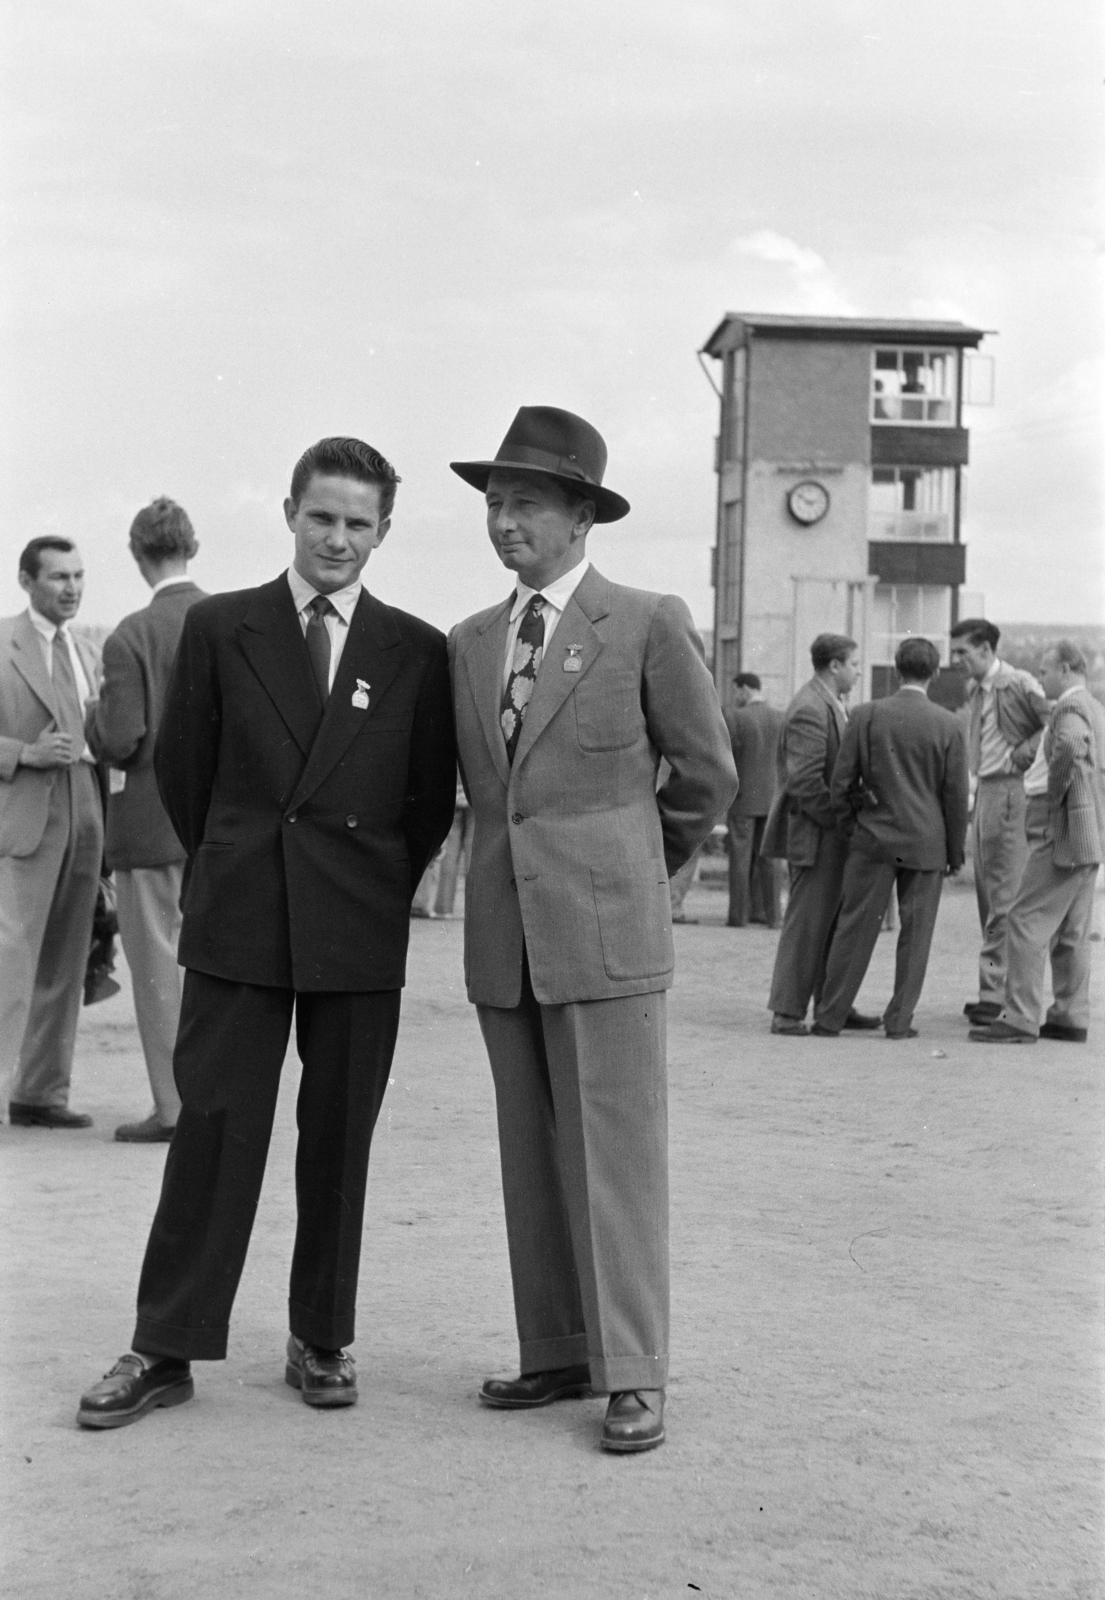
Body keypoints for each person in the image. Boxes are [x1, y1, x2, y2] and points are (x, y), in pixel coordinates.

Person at [77, 437, 456, 1429]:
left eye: (357, 523)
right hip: (242, 917)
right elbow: (186, 775)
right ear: (290, 511)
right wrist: (240, 866)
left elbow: (425, 808)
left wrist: (366, 886)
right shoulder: (219, 626)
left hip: (356, 929)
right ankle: (165, 1345)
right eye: (321, 516)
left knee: (338, 1138)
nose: (337, 539)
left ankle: (321, 1335)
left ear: (384, 530)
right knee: (211, 1130)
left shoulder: (415, 649)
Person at [447, 405, 736, 1454]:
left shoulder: (648, 621)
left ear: (580, 516)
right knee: (531, 1151)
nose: (503, 520)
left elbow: (707, 775)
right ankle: (559, 1346)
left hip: (607, 935)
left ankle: (634, 1371)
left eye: (524, 502)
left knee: (615, 1154)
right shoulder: (469, 643)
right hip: (504, 939)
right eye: (493, 502)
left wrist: (628, 868)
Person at [85, 498, 205, 1142]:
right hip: (213, 828)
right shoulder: (226, 618)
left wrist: (89, 720)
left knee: (158, 973)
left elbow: (123, 736)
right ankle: (209, 1102)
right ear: (192, 545)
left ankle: (174, 1107)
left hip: (149, 827)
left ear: (138, 554)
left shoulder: (130, 634)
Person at [810, 638, 969, 1038]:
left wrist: (854, 828)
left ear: (896, 670)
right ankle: (899, 1021)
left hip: (874, 840)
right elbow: (955, 797)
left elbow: (840, 784)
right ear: (934, 673)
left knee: (854, 929)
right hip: (927, 844)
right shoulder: (950, 725)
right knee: (916, 937)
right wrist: (954, 852)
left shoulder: (865, 715)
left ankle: (830, 1016)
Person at [0, 538, 101, 1128]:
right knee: (10, 965)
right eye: (59, 576)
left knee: (66, 962)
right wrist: (25, 754)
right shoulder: (3, 643)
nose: (72, 587)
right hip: (24, 823)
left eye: (79, 576)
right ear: (25, 580)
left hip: (85, 815)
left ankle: (40, 1094)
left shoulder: (88, 650)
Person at [969, 641, 1105, 1045]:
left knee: (1024, 919)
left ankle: (1020, 1017)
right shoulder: (1096, 707)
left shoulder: (1068, 708)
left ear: (1066, 668)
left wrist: (1058, 788)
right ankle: (1069, 1014)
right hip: (1088, 829)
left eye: (1045, 670)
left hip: (1056, 821)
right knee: (1071, 929)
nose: (1040, 677)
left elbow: (1067, 745)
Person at [761, 633, 880, 1035]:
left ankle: (831, 1004)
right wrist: (843, 821)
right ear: (834, 666)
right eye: (855, 664)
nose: (858, 672)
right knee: (809, 923)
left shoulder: (826, 703)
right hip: (817, 835)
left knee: (828, 923)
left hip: (827, 832)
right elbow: (806, 783)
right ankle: (787, 1011)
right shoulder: (811, 709)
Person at [949, 618, 1047, 1023]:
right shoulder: (978, 689)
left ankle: (995, 996)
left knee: (1003, 899)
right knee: (988, 895)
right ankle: (993, 989)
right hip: (986, 792)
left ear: (987, 650)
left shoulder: (1019, 683)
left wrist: (1021, 755)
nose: (955, 660)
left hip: (1009, 792)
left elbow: (1054, 722)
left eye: (962, 652)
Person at [725, 672, 784, 927]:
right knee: (770, 859)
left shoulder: (736, 717)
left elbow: (728, 758)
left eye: (737, 691)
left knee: (740, 858)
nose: (735, 696)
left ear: (746, 689)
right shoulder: (780, 718)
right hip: (771, 799)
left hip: (742, 799)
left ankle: (739, 916)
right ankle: (773, 917)